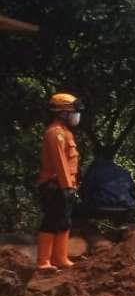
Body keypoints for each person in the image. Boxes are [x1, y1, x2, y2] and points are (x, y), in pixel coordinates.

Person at [35, 93, 82, 272]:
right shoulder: (55, 133)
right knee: (51, 220)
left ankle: (60, 258)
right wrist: (66, 187)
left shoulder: (66, 132)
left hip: (64, 185)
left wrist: (71, 186)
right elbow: (59, 162)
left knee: (64, 220)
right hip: (55, 185)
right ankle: (43, 262)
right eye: (74, 112)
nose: (76, 116)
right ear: (63, 113)